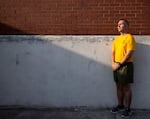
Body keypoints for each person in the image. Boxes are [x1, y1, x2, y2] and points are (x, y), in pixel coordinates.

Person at [111, 19, 136, 118]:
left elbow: (129, 53)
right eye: (118, 25)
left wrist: (120, 64)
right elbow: (113, 52)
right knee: (118, 86)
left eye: (121, 24)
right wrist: (113, 63)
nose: (119, 26)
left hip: (125, 65)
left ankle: (128, 109)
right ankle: (120, 105)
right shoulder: (117, 39)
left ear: (126, 26)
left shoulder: (130, 37)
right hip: (116, 65)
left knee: (126, 87)